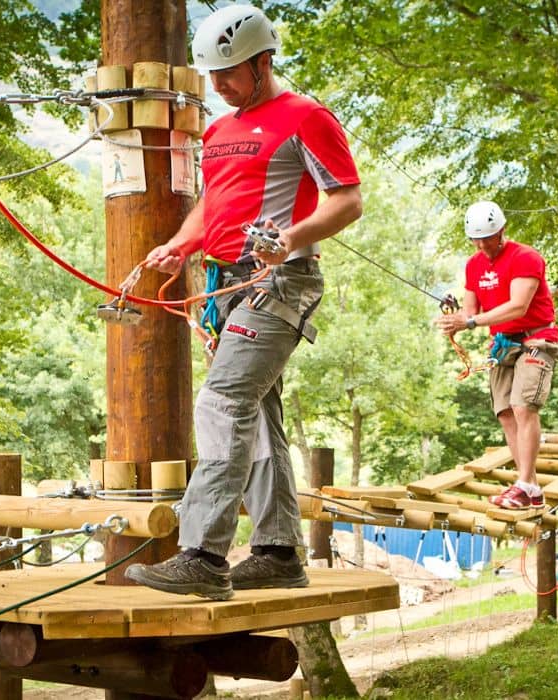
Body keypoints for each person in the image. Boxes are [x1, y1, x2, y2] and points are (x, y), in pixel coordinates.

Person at [126, 4, 363, 600]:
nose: (219, 85)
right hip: (225, 284)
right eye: (212, 75)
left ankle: (202, 556)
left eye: (229, 72)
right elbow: (214, 203)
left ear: (263, 61)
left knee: (223, 401)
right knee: (255, 412)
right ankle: (279, 551)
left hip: (280, 283)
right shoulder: (219, 129)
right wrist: (181, 245)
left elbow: (348, 199)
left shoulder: (305, 117)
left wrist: (291, 239)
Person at [434, 201, 558, 509]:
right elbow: (470, 310)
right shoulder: (474, 265)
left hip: (537, 340)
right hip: (504, 345)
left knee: (523, 407)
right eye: (476, 239)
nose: (482, 244)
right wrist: (455, 320)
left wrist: (471, 321)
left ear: (502, 231)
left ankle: (525, 484)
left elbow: (518, 305)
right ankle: (528, 486)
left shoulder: (525, 257)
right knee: (505, 412)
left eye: (488, 237)